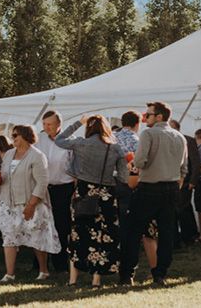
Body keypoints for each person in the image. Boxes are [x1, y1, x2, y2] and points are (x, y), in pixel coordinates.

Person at [119, 101, 187, 287]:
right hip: (171, 188)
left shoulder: (148, 134)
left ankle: (127, 274)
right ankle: (160, 274)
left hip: (149, 188)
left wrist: (131, 164)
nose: (144, 118)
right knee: (166, 234)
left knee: (133, 232)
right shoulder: (180, 137)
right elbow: (184, 168)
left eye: (148, 115)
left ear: (159, 116)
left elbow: (140, 161)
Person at [56, 115, 128, 286]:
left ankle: (73, 279)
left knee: (78, 234)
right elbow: (124, 177)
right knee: (103, 235)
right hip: (106, 195)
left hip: (84, 192)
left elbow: (60, 139)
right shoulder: (115, 148)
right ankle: (96, 279)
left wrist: (78, 123)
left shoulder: (81, 143)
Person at [0, 125, 60, 283]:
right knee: (8, 236)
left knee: (36, 237)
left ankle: (43, 270)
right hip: (8, 203)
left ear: (26, 136)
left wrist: (31, 205)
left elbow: (42, 182)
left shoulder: (37, 156)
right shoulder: (9, 154)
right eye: (12, 135)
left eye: (16, 134)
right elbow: (5, 175)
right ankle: (9, 273)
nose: (13, 137)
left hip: (30, 203)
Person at [113, 110, 158, 271]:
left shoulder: (112, 137)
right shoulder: (136, 140)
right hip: (132, 185)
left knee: (119, 227)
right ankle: (140, 264)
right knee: (138, 228)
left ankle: (120, 262)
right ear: (137, 124)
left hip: (114, 184)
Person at [37, 111, 74, 273]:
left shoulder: (69, 141)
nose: (46, 127)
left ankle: (60, 263)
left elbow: (75, 167)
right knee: (40, 224)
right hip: (42, 188)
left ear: (59, 125)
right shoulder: (39, 139)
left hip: (63, 188)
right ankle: (39, 264)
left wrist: (75, 191)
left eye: (49, 124)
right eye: (44, 124)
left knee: (61, 226)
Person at [170, 119, 200, 247]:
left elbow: (195, 161)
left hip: (186, 180)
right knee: (177, 209)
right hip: (171, 180)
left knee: (183, 208)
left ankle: (189, 236)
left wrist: (193, 180)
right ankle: (180, 236)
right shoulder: (167, 140)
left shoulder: (188, 140)